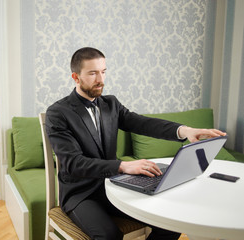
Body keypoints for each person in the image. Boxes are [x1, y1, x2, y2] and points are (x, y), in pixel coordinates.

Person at [45, 47, 226, 240]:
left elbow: (143, 123)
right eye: (92, 73)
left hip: (113, 185)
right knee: (109, 236)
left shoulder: (110, 104)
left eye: (103, 71)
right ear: (76, 77)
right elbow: (73, 164)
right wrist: (123, 166)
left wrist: (185, 131)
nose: (101, 79)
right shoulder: (58, 113)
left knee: (169, 222)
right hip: (80, 194)